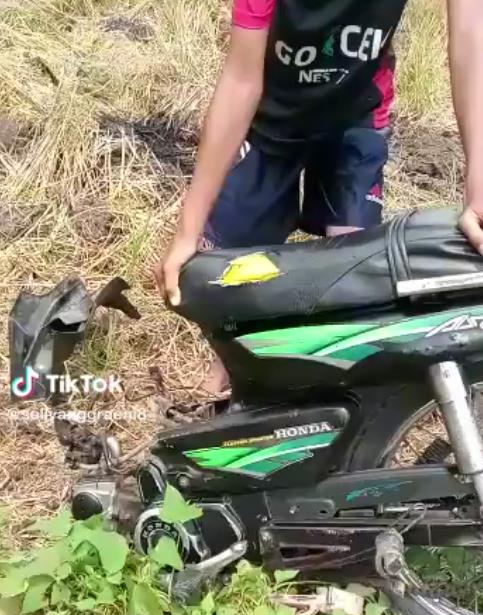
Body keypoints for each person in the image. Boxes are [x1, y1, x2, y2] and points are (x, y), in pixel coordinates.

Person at [154, 0, 483, 396]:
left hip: (355, 120)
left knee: (355, 282)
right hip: (269, 123)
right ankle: (227, 371)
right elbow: (241, 81)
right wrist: (187, 230)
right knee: (225, 277)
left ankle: (335, 391)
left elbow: (470, 36)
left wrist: (478, 176)